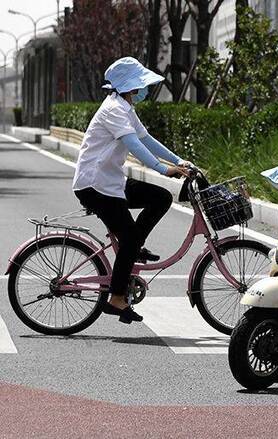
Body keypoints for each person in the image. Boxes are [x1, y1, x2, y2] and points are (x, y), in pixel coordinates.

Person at [72, 57, 190, 324]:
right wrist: (163, 170)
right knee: (129, 236)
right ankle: (115, 297)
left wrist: (179, 161)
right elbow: (134, 145)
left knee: (160, 197)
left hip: (111, 181)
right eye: (141, 84)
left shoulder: (125, 107)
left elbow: (147, 139)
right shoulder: (113, 109)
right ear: (131, 86)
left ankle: (134, 247)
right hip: (95, 185)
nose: (144, 89)